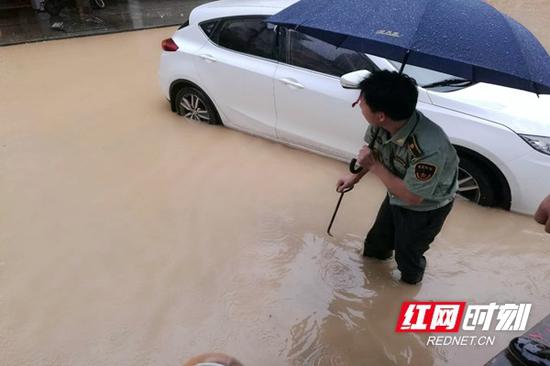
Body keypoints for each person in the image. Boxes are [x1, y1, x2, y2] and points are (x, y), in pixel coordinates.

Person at [336, 70, 458, 284]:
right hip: (396, 193)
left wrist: (373, 165)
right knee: (375, 245)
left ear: (381, 114)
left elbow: (413, 197)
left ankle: (407, 290)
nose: (359, 105)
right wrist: (353, 178)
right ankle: (374, 283)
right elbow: (373, 155)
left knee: (408, 256)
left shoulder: (429, 148)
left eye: (362, 101)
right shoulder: (380, 126)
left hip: (426, 208)